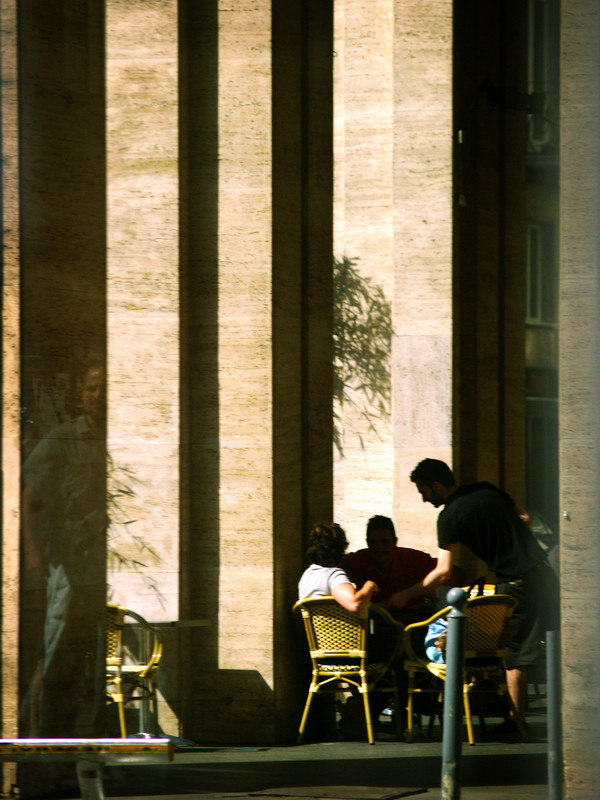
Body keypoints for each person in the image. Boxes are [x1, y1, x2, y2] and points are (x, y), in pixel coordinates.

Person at [396, 457, 559, 730]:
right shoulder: (486, 488)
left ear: (436, 485)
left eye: (423, 491)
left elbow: (444, 572)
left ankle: (516, 723)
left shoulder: (448, 517)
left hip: (515, 581)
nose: (424, 499)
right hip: (543, 572)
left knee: (514, 657)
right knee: (557, 644)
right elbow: (525, 517)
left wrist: (405, 594)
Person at [21, 362, 108, 739]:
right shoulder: (62, 439)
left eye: (104, 388)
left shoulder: (123, 439)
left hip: (111, 573)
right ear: (80, 394)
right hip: (71, 569)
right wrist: (35, 557)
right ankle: (37, 745)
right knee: (57, 656)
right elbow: (27, 498)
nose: (97, 396)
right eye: (91, 389)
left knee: (100, 668)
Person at [343, 514, 461, 621]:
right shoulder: (356, 561)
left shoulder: (413, 559)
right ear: (367, 543)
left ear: (395, 541)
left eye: (385, 542)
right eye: (374, 543)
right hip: (373, 623)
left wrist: (425, 589)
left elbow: (456, 574)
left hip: (414, 622)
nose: (379, 548)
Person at [298, 521, 378, 612]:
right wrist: (369, 586)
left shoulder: (307, 576)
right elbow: (355, 603)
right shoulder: (333, 575)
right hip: (341, 626)